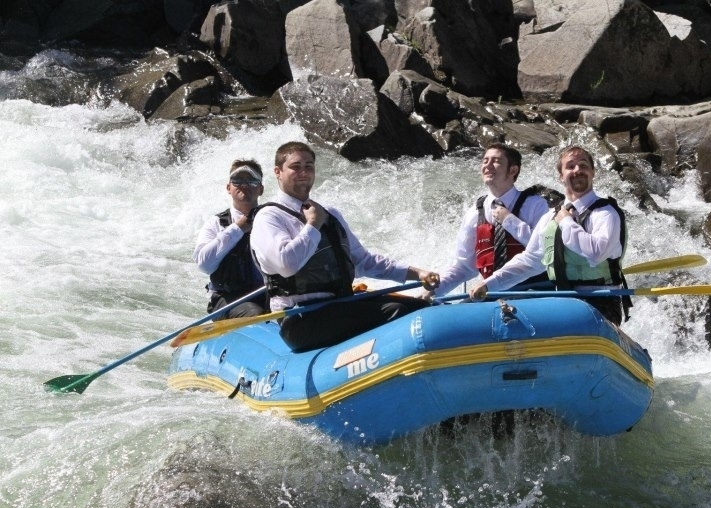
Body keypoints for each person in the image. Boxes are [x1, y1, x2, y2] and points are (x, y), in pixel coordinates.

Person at [249, 141, 438, 352]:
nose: (303, 172)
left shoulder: (329, 214)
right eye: (296, 166)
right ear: (278, 172)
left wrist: (417, 273)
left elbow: (363, 261)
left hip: (339, 306)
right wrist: (312, 225)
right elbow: (287, 264)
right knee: (398, 310)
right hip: (300, 318)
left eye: (309, 166)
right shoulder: (269, 218)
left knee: (418, 307)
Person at [469, 145, 632, 324]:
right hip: (564, 302)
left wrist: (566, 222)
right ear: (561, 177)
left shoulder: (606, 213)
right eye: (570, 166)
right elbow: (528, 261)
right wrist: (489, 284)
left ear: (593, 173)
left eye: (583, 165)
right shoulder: (550, 218)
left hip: (601, 303)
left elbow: (596, 253)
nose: (577, 170)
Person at [431, 142, 553, 297]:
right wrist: (433, 292)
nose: (487, 166)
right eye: (485, 161)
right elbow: (463, 267)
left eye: (496, 161)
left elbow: (544, 251)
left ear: (513, 170)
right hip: (490, 292)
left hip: (534, 290)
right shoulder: (473, 213)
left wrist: (510, 221)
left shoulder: (535, 204)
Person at [193, 159, 269, 319]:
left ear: (260, 189)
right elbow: (204, 264)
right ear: (229, 188)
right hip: (227, 299)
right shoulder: (217, 223)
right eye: (237, 180)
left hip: (267, 293)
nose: (244, 185)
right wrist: (237, 228)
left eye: (251, 181)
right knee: (255, 313)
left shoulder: (273, 220)